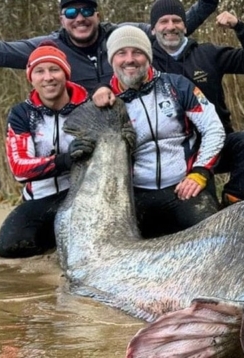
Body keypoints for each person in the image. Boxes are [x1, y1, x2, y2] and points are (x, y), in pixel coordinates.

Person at [93, 26, 225, 237]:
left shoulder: (177, 85)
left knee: (212, 236)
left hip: (182, 188)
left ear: (149, 56)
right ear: (112, 60)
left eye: (137, 52)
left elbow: (213, 128)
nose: (130, 59)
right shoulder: (104, 102)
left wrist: (199, 172)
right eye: (121, 53)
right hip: (134, 196)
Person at [148, 0, 244, 207]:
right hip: (176, 152)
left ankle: (233, 198)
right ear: (153, 29)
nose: (171, 26)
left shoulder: (208, 53)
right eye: (163, 22)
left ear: (185, 26)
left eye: (177, 20)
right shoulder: (146, 63)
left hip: (215, 142)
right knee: (204, 208)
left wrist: (239, 26)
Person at [0, 0, 218, 93]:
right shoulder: (49, 47)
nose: (79, 17)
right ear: (62, 18)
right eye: (71, 11)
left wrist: (207, 2)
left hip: (132, 129)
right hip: (82, 136)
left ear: (98, 14)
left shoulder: (123, 35)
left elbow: (168, 31)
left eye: (87, 10)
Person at [0, 42, 91, 258]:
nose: (48, 77)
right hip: (40, 199)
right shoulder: (21, 114)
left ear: (66, 74)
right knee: (9, 246)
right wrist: (64, 161)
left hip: (80, 197)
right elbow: (19, 168)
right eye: (39, 71)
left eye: (54, 69)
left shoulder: (87, 108)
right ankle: (53, 242)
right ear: (31, 78)